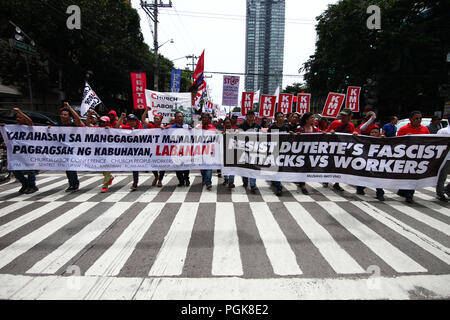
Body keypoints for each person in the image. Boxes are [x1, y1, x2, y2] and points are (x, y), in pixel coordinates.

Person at [0, 108, 39, 194]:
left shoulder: (28, 127)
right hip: (16, 153)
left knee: (30, 170)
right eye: (17, 117)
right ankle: (25, 184)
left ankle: (32, 185)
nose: (18, 118)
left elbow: (30, 121)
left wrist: (19, 112)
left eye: (20, 117)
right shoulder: (12, 127)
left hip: (27, 152)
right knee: (14, 169)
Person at [396, 110, 430, 203]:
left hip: (419, 159)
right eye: (416, 118)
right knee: (407, 177)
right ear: (410, 119)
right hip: (406, 158)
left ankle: (409, 195)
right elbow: (397, 142)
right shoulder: (403, 129)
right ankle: (404, 191)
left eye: (420, 118)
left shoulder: (425, 129)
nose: (419, 120)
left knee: (414, 178)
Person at [323, 108, 358, 191]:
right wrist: (330, 132)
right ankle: (326, 179)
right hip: (333, 148)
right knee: (330, 164)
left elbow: (353, 137)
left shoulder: (351, 126)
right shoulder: (334, 123)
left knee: (340, 165)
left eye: (344, 116)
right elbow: (326, 132)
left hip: (343, 149)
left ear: (349, 117)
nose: (342, 117)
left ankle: (337, 183)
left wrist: (355, 134)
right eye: (342, 115)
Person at [58, 102, 85, 192]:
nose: (63, 116)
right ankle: (71, 184)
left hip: (73, 150)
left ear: (69, 116)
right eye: (61, 114)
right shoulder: (58, 126)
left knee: (70, 167)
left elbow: (77, 119)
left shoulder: (73, 125)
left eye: (65, 114)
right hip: (63, 150)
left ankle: (74, 183)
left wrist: (69, 107)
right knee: (68, 168)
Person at [86, 111, 114, 193]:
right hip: (98, 152)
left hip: (108, 152)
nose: (102, 123)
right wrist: (89, 114)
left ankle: (105, 185)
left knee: (107, 168)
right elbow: (88, 124)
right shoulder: (96, 129)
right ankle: (110, 177)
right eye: (101, 122)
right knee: (102, 168)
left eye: (104, 122)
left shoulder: (111, 129)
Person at [355, 126, 385, 201]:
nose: (374, 134)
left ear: (379, 133)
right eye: (372, 132)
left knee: (378, 178)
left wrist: (385, 139)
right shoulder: (366, 140)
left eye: (376, 132)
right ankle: (360, 188)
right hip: (367, 162)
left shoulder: (383, 140)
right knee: (367, 176)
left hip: (378, 163)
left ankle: (380, 193)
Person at [296, 112, 322, 195]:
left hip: (312, 153)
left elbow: (321, 136)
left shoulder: (315, 129)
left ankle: (301, 180)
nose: (313, 119)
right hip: (302, 153)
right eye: (311, 118)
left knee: (308, 168)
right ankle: (302, 185)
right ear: (306, 120)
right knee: (303, 168)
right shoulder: (300, 128)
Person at [117, 113, 144, 191]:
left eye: (133, 121)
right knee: (135, 167)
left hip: (141, 151)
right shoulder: (127, 127)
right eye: (130, 121)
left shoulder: (140, 127)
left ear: (136, 121)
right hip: (131, 151)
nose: (132, 122)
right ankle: (135, 182)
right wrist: (121, 117)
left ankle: (156, 177)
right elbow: (117, 127)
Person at [238, 110, 261, 193]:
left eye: (252, 115)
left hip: (254, 150)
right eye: (249, 115)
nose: (251, 116)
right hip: (244, 150)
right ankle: (245, 181)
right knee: (245, 167)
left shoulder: (258, 126)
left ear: (254, 116)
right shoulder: (241, 126)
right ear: (246, 116)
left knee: (253, 168)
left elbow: (261, 137)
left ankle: (252, 185)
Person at [141, 109, 166, 187]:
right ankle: (156, 176)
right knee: (152, 164)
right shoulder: (151, 126)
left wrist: (165, 129)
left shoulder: (164, 128)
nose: (156, 120)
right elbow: (142, 120)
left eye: (157, 119)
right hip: (152, 150)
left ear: (161, 120)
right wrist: (146, 110)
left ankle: (160, 180)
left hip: (161, 150)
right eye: (155, 118)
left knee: (162, 165)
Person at [268, 112, 290, 196]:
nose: (281, 118)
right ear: (275, 119)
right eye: (279, 117)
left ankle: (275, 181)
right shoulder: (272, 127)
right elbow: (268, 139)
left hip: (284, 151)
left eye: (282, 117)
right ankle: (278, 187)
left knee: (280, 169)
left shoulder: (286, 127)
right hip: (274, 151)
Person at [171, 111, 191, 186]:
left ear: (183, 118)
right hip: (176, 150)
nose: (179, 118)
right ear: (175, 118)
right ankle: (181, 180)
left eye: (181, 116)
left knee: (186, 165)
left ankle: (187, 179)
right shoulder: (171, 128)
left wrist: (191, 130)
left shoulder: (187, 126)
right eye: (178, 117)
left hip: (185, 150)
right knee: (177, 166)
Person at [198, 113, 216, 190]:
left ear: (209, 119)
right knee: (202, 168)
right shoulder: (198, 128)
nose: (204, 119)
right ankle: (205, 178)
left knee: (209, 167)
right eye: (203, 118)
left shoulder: (213, 128)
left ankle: (208, 182)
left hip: (209, 151)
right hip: (199, 151)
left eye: (206, 118)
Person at [222, 117, 238, 188]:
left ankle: (231, 182)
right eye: (226, 123)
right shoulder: (221, 132)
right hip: (223, 152)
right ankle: (226, 179)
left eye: (229, 123)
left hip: (232, 152)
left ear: (231, 124)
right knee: (225, 167)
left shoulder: (235, 131)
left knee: (232, 168)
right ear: (224, 124)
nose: (228, 124)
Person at [436, 124, 450, 202]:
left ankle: (447, 189)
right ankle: (440, 193)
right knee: (443, 176)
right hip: (446, 157)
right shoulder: (443, 131)